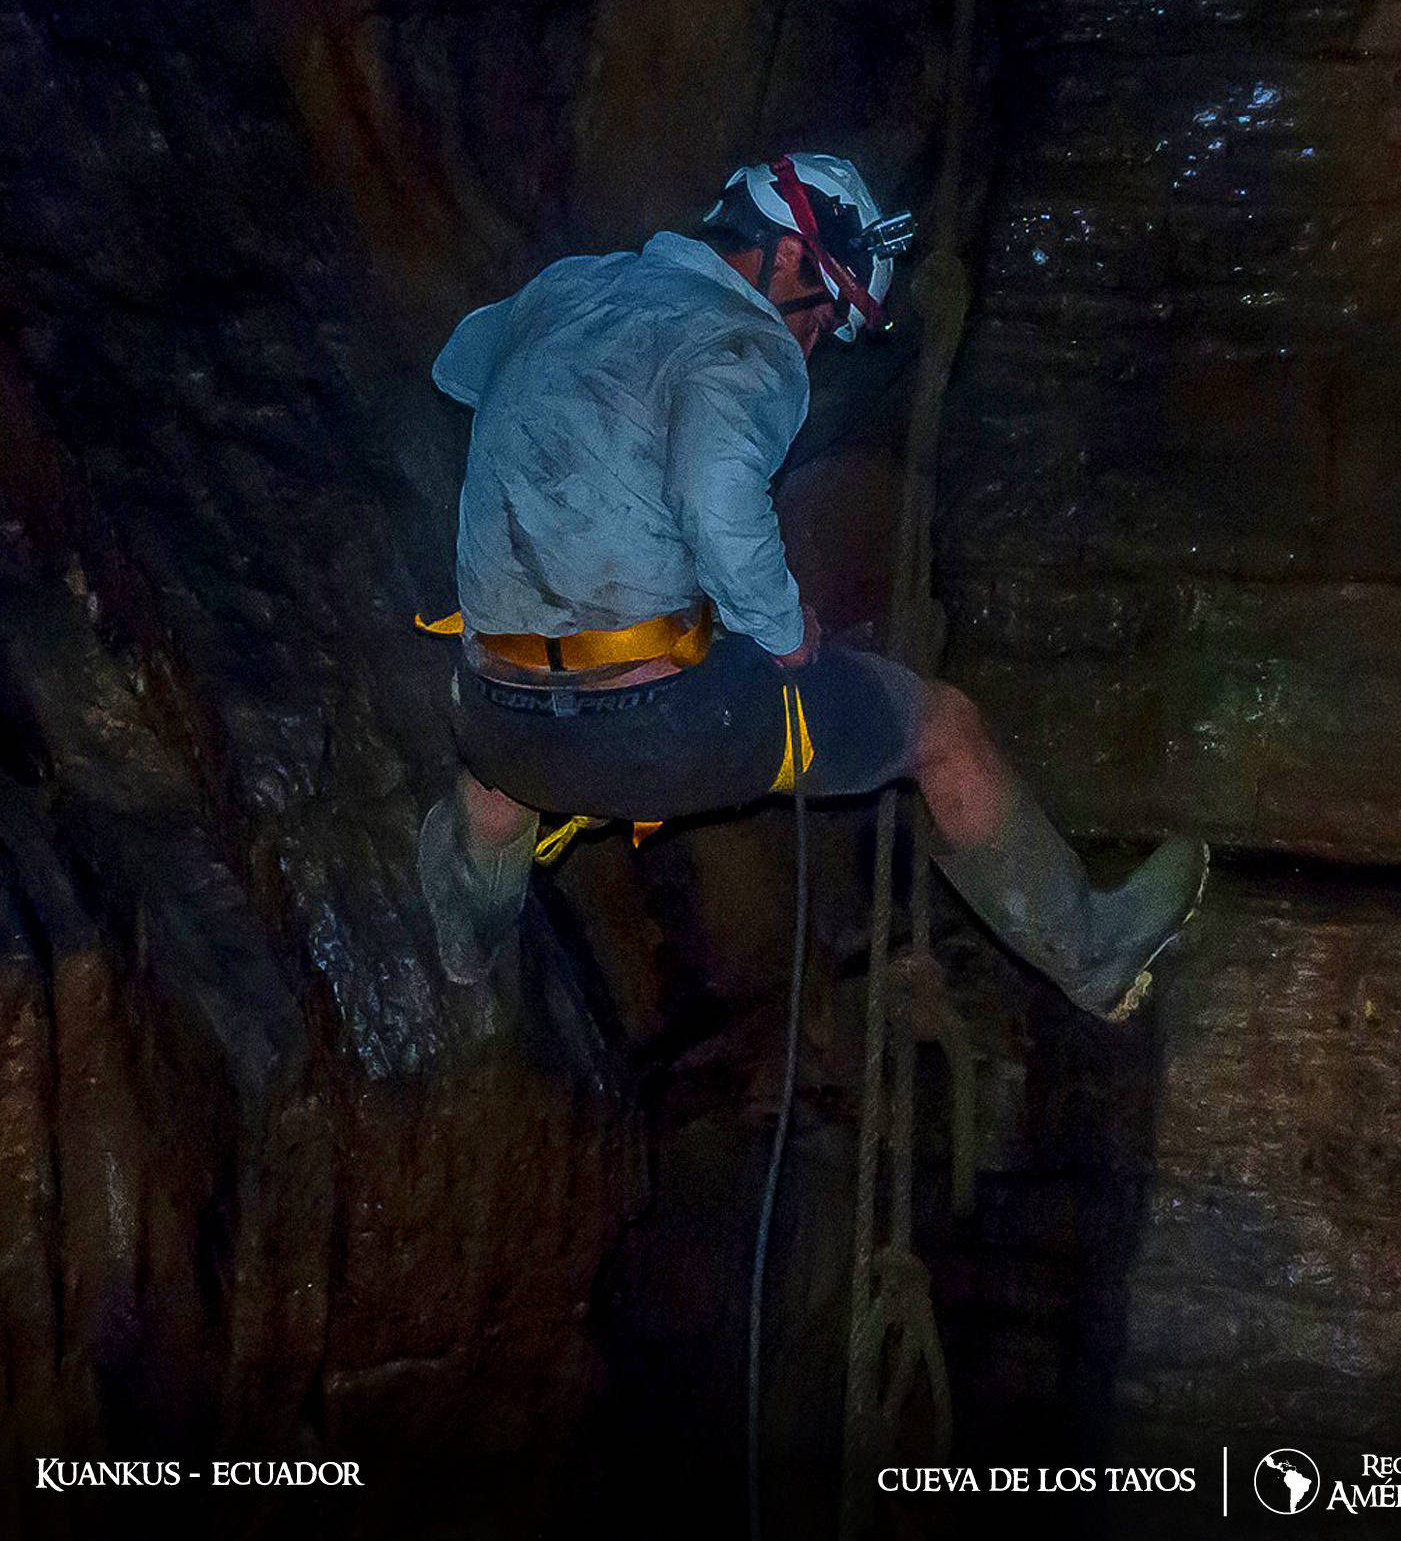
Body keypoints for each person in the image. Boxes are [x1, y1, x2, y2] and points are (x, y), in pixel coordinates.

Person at [418, 152, 1207, 1021]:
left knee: (502, 770)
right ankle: (1094, 954)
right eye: (823, 313)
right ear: (787, 254)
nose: (813, 340)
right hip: (665, 731)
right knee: (941, 729)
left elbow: (460, 368)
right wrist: (783, 628)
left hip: (492, 718)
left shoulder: (563, 288)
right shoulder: (745, 343)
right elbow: (718, 501)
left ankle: (466, 940)